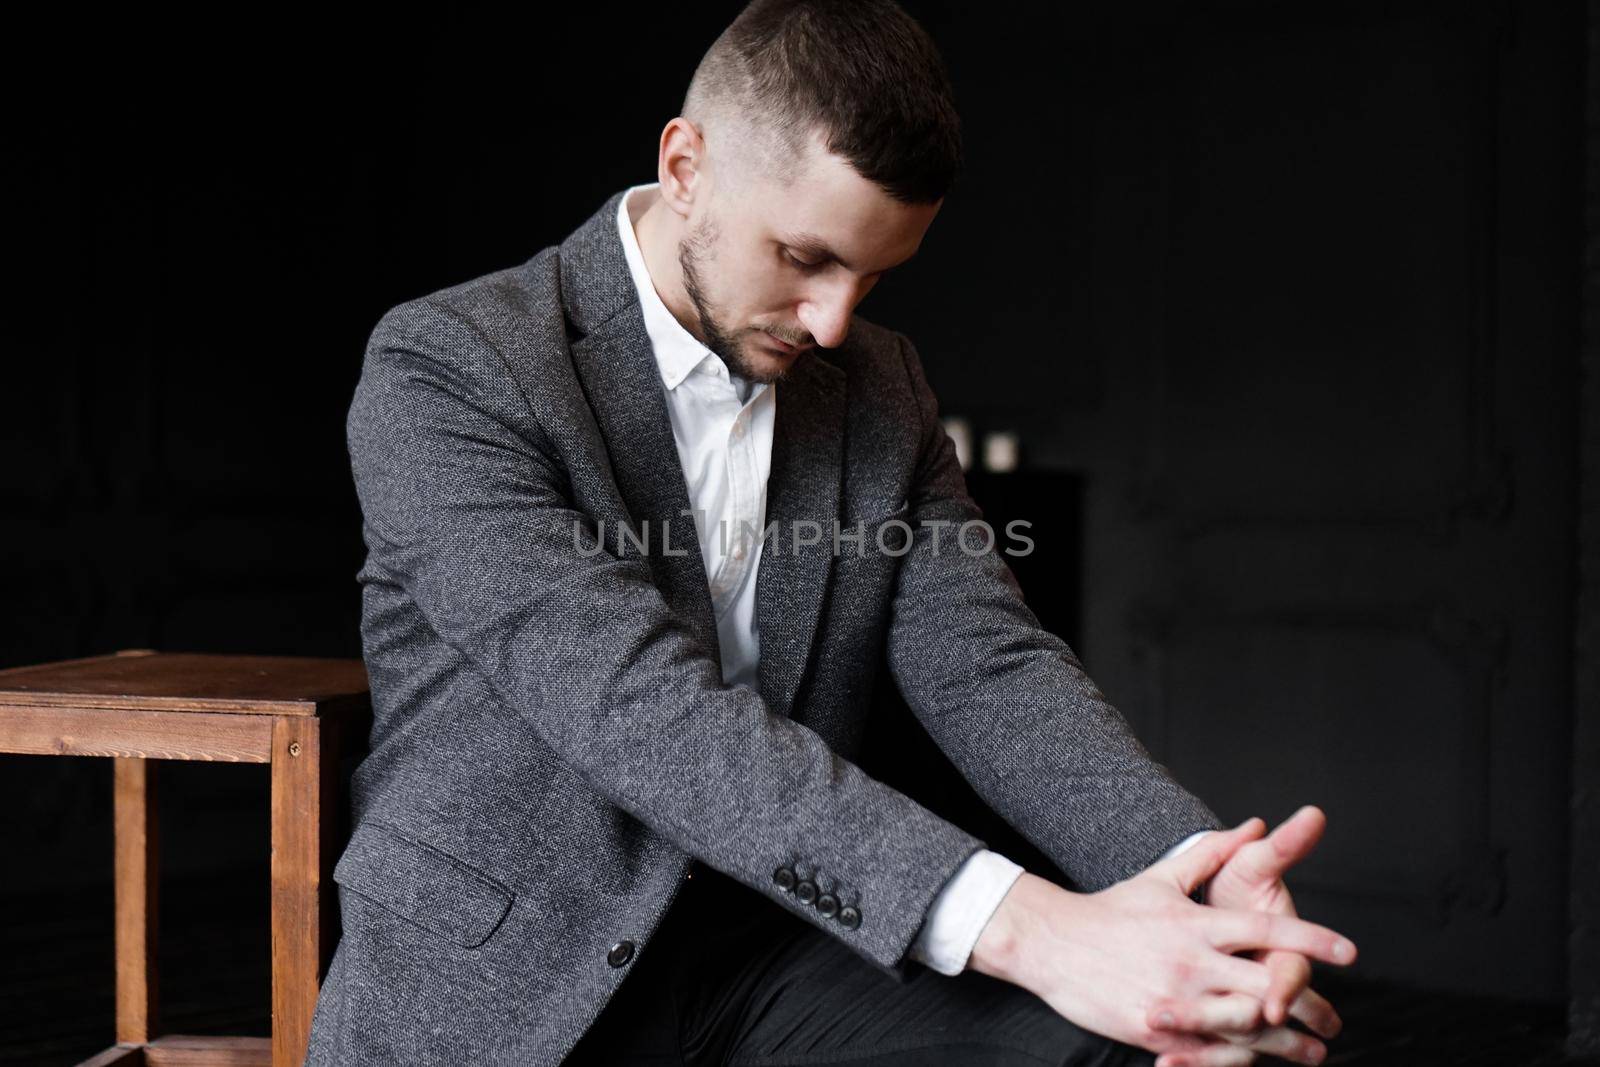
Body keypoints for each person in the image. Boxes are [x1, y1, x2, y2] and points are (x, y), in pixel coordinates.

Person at [307, 1, 1358, 1064]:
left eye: (873, 274)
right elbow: (634, 705)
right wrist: (1034, 928)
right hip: (506, 967)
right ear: (685, 165)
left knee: (1148, 1040)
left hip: (775, 942)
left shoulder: (877, 383)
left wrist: (1191, 866)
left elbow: (987, 663)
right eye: (803, 256)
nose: (832, 323)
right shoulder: (449, 365)